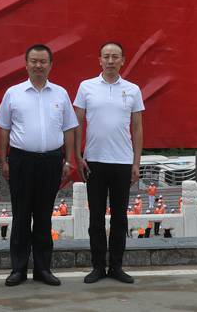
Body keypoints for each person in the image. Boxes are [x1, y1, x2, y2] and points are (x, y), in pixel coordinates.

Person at [0, 44, 78, 287]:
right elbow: (3, 129)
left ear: (50, 65)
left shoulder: (60, 94)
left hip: (51, 161)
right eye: (34, 61)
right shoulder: (13, 93)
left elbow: (69, 129)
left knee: (43, 216)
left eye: (43, 61)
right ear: (26, 64)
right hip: (21, 161)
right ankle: (18, 269)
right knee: (21, 215)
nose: (38, 65)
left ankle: (43, 269)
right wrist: (3, 160)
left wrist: (68, 160)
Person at [74, 41, 144, 285]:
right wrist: (78, 156)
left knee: (119, 218)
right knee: (95, 217)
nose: (111, 61)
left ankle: (116, 266)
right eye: (106, 56)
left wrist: (136, 162)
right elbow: (77, 123)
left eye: (115, 57)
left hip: (122, 161)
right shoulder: (86, 87)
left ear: (123, 60)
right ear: (99, 60)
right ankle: (97, 267)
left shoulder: (133, 89)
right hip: (94, 160)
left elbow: (137, 127)